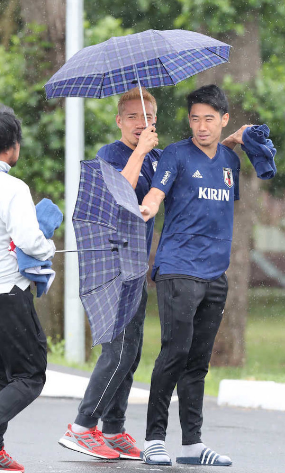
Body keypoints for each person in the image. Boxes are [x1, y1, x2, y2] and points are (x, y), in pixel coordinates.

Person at [140, 84, 257, 467]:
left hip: (215, 273)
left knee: (198, 361)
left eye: (210, 119)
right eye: (195, 119)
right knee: (174, 352)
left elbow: (213, 168)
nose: (201, 126)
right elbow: (159, 191)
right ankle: (154, 439)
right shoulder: (173, 154)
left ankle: (191, 444)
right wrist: (148, 205)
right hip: (178, 268)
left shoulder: (229, 160)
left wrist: (237, 141)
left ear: (224, 120)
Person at [59, 87, 160, 460]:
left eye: (147, 115)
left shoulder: (157, 157)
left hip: (138, 266)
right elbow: (119, 195)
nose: (140, 122)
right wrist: (140, 151)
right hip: (112, 264)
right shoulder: (110, 155)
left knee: (132, 353)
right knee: (117, 351)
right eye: (132, 116)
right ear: (119, 121)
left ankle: (114, 428)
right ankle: (82, 426)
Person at [0, 109, 56, 473]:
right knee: (30, 374)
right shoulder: (14, 188)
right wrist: (48, 248)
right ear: (14, 147)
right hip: (8, 294)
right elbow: (28, 239)